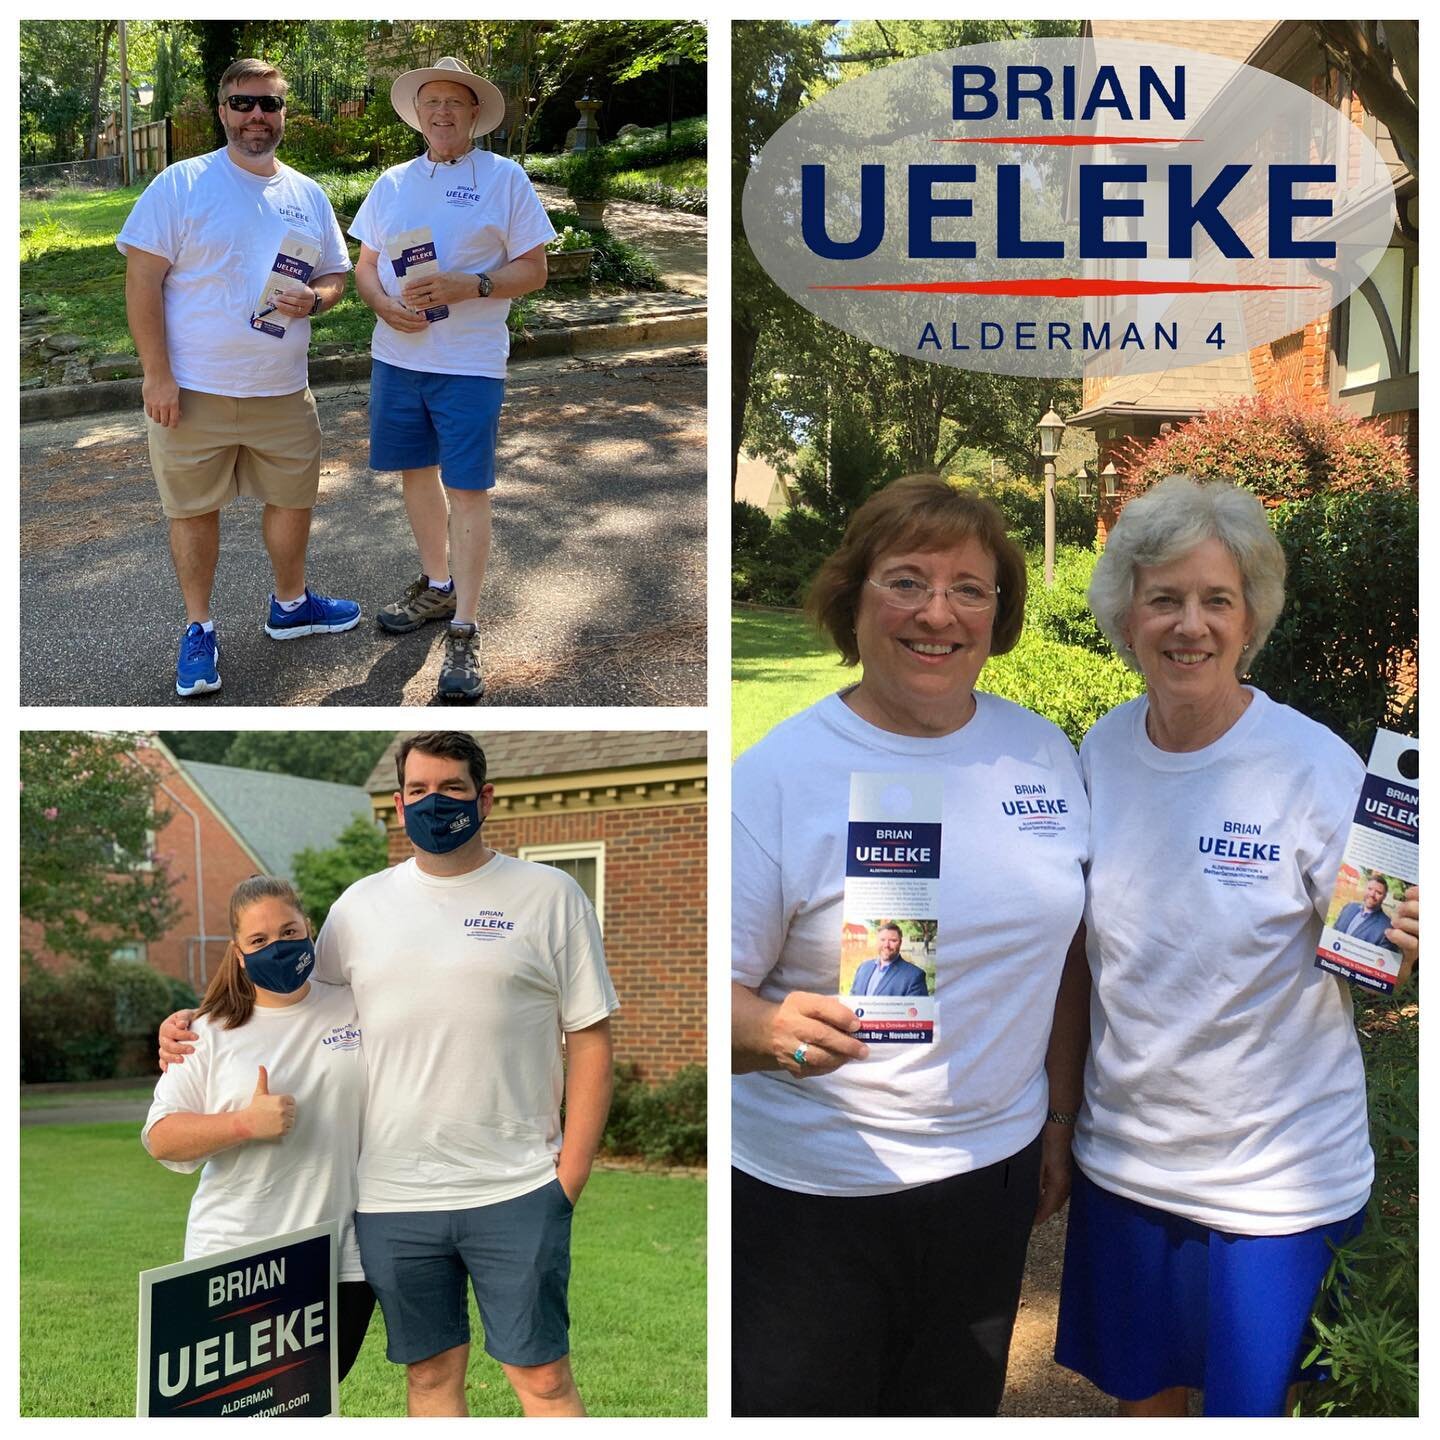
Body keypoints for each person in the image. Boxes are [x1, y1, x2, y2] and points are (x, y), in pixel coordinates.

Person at [1054, 476, 1421, 1418]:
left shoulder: (1311, 767)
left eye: (1217, 600)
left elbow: (1380, 944)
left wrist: (1412, 941)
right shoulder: (1100, 752)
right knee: (1145, 1407)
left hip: (1275, 1186)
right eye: (1165, 598)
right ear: (1126, 614)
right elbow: (1085, 960)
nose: (1190, 626)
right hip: (1130, 1165)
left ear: (1250, 618)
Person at [731, 475, 1091, 1416]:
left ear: (998, 613)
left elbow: (1061, 955)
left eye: (970, 589)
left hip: (991, 1177)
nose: (940, 613)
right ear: (853, 596)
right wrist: (766, 1028)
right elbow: (697, 996)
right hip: (816, 1189)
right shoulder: (777, 777)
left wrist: (1057, 1119)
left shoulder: (1043, 754)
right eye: (907, 581)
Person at [162, 732, 617, 1416]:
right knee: (431, 1380)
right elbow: (294, 1000)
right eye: (420, 791)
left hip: (518, 1185)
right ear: (398, 806)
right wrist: (193, 1020)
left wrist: (568, 1177)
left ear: (485, 797)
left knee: (544, 1379)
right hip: (392, 1200)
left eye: (453, 788)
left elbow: (589, 1039)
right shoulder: (356, 909)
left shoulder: (548, 896)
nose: (436, 803)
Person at [117, 58, 360, 698]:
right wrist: (156, 376)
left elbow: (335, 275)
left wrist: (321, 299)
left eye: (270, 104)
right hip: (193, 390)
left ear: (285, 113)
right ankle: (199, 629)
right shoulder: (181, 184)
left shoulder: (307, 193)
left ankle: (291, 604)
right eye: (245, 103)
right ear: (224, 110)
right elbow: (141, 281)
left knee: (292, 500)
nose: (258, 115)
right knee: (194, 510)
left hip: (282, 387)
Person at [349, 57, 555, 702]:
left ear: (474, 115)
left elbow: (535, 269)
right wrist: (381, 305)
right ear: (419, 114)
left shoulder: (505, 179)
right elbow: (366, 264)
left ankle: (465, 626)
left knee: (466, 489)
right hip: (398, 358)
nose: (441, 113)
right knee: (415, 476)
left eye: (454, 104)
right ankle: (437, 589)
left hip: (468, 362)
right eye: (430, 103)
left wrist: (475, 285)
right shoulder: (391, 182)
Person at [143, 875, 374, 1380]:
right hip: (232, 1257)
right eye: (259, 941)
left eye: (289, 932)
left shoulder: (357, 1005)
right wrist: (245, 1123)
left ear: (310, 929)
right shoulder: (205, 1033)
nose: (279, 947)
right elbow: (161, 1137)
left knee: (305, 1410)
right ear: (239, 953)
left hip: (336, 1259)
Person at [849, 924, 929, 997]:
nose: (886, 945)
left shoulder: (914, 976)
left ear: (900, 943)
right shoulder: (863, 967)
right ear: (877, 941)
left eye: (893, 940)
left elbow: (917, 1011)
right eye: (882, 940)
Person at [1334, 873, 1400, 950]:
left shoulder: (1387, 928)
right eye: (1370, 889)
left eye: (1378, 892)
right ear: (1365, 889)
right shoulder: (1349, 907)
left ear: (1384, 897)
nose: (1372, 894)